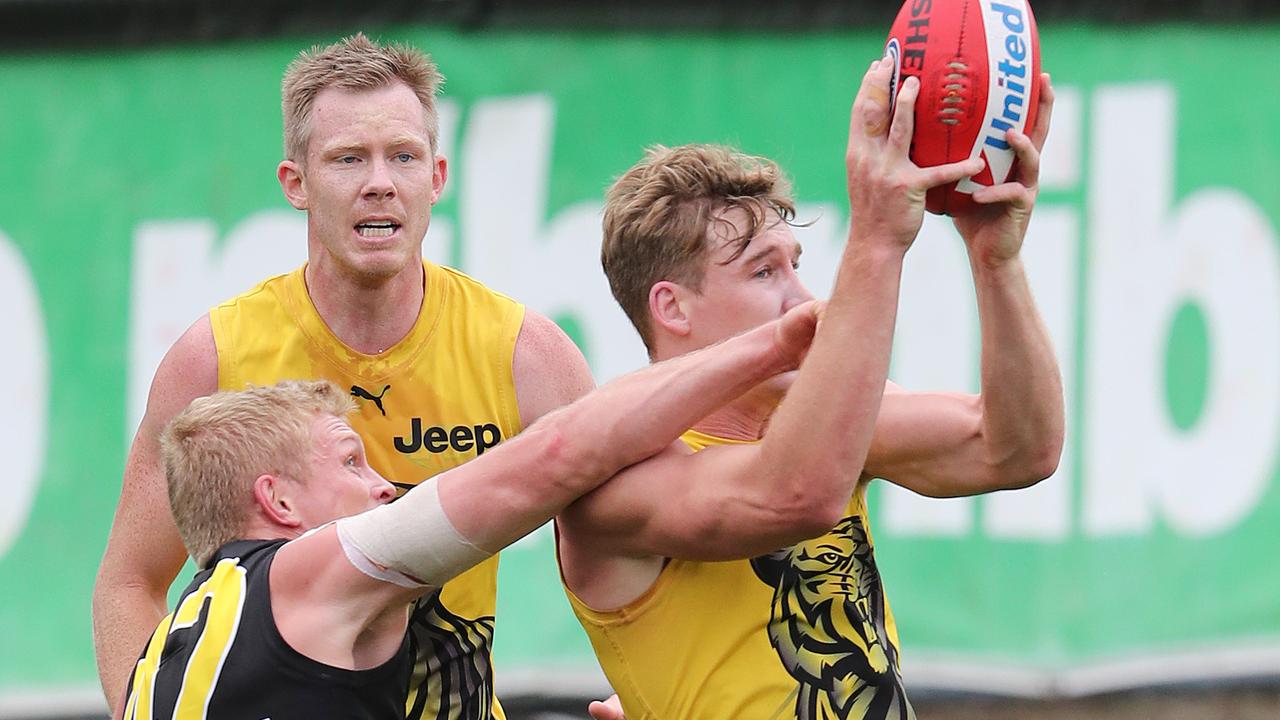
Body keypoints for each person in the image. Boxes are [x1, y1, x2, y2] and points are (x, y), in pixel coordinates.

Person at [93, 34, 595, 719]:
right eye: (348, 159)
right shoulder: (212, 358)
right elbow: (129, 582)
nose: (380, 181)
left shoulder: (526, 354)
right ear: (295, 183)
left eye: (404, 157)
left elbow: (623, 555)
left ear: (438, 178)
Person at [556, 59, 1064, 719]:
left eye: (796, 266)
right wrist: (878, 240)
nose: (803, 300)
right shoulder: (618, 476)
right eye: (764, 272)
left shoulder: (820, 416)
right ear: (673, 308)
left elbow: (1016, 450)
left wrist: (994, 259)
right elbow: (794, 493)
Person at [115, 302, 819, 720]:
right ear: (279, 500)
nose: (385, 485)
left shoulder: (176, 643)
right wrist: (775, 345)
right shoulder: (300, 578)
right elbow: (556, 455)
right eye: (350, 462)